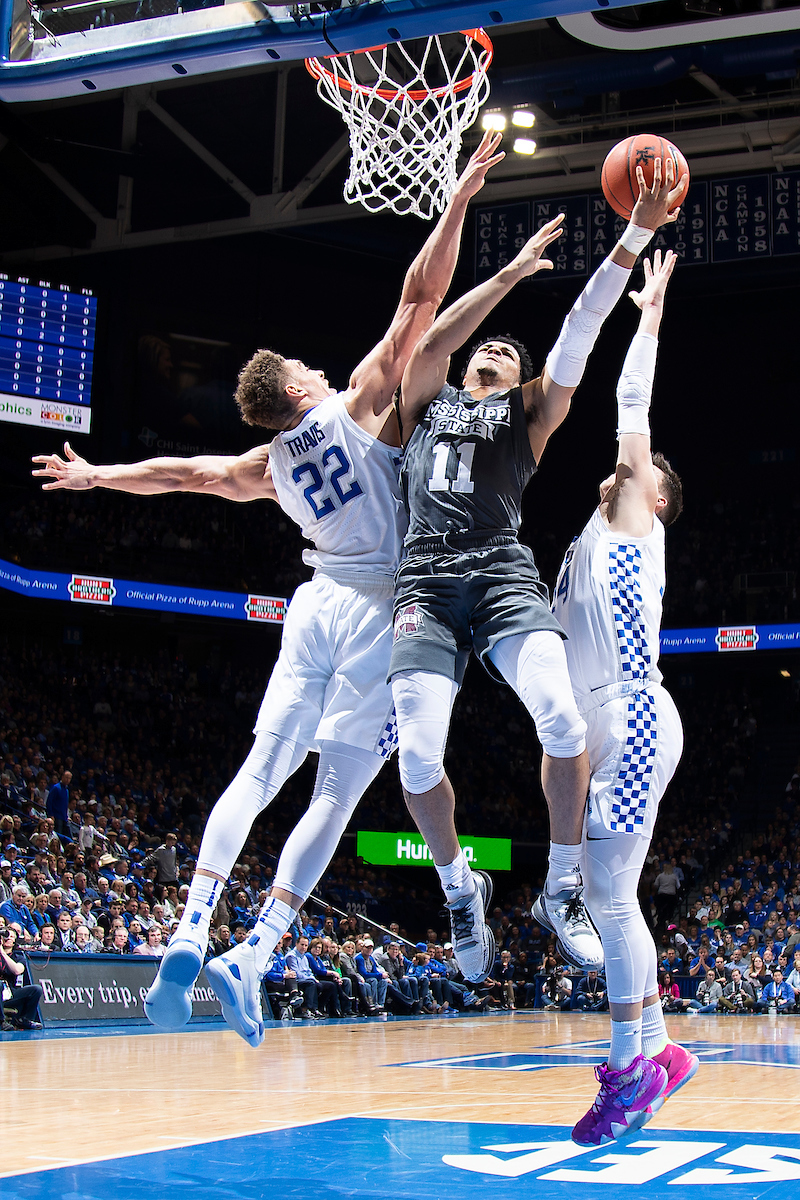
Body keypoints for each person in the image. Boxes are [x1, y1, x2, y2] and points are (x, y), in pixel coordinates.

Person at [31, 135, 503, 1048]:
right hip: (378, 612)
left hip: (313, 606)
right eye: (305, 367)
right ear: (294, 386)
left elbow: (178, 475)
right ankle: (256, 949)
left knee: (257, 773)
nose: (318, 368)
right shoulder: (356, 403)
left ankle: (187, 927)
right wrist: (457, 200)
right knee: (334, 795)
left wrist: (96, 479)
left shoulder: (268, 463)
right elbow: (420, 299)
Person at [389, 158, 685, 986]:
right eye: (482, 351)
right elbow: (431, 335)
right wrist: (510, 275)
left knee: (560, 720)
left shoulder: (527, 414)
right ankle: (460, 888)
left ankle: (560, 889)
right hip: (424, 582)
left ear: (521, 383)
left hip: (498, 569)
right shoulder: (427, 397)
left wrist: (631, 238)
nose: (487, 353)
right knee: (416, 760)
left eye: (503, 356)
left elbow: (581, 332)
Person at [548, 242, 698, 1148]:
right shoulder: (588, 537)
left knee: (608, 899)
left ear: (658, 497)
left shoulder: (636, 522)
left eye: (650, 474)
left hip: (634, 710)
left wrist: (645, 319)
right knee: (615, 898)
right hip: (607, 719)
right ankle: (662, 1053)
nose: (637, 473)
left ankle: (631, 1070)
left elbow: (629, 407)